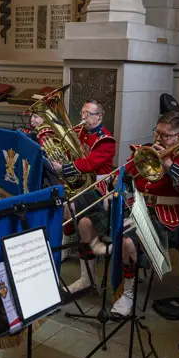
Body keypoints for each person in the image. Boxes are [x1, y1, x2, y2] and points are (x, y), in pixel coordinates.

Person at [113, 112, 179, 315]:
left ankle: (128, 293)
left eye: (165, 135)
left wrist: (170, 166)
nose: (158, 139)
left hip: (167, 220)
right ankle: (91, 278)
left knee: (128, 241)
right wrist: (119, 180)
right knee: (91, 222)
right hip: (136, 210)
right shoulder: (146, 151)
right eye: (157, 132)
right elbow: (127, 173)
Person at [51, 100, 116, 298]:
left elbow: (89, 163)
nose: (83, 118)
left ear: (99, 117)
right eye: (82, 113)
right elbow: (72, 154)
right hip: (82, 183)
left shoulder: (106, 141)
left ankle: (71, 240)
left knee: (68, 208)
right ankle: (69, 236)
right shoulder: (80, 132)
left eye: (88, 114)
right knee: (59, 200)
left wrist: (65, 168)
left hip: (98, 187)